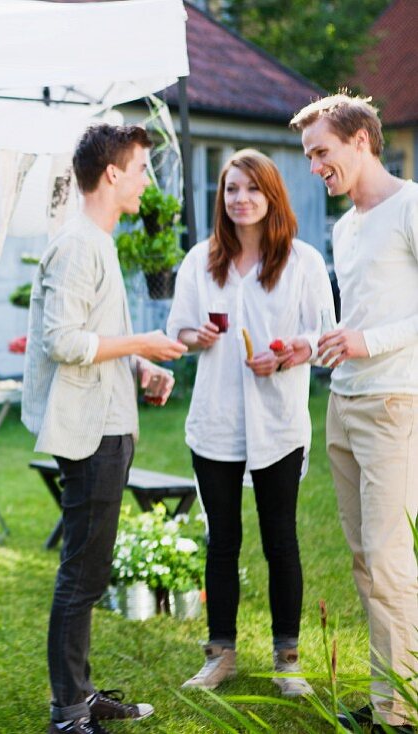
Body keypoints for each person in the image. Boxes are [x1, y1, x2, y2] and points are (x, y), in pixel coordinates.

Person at [21, 124, 188, 734]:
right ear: (112, 174)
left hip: (110, 423)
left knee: (88, 572)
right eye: (141, 168)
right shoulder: (77, 244)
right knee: (81, 575)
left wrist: (139, 363)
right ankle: (68, 713)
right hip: (90, 431)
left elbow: (91, 335)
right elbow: (61, 341)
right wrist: (142, 340)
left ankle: (81, 695)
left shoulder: (97, 241)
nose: (147, 181)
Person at [166, 149, 333, 697]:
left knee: (280, 540)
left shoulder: (302, 262)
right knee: (222, 541)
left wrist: (287, 355)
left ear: (271, 196)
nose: (240, 199)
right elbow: (180, 333)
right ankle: (221, 655)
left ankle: (288, 659)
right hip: (215, 422)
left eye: (251, 189)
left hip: (277, 423)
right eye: (231, 189)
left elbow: (324, 337)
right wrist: (199, 337)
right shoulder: (201, 260)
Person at [291, 93, 418, 732]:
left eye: (322, 152)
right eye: (310, 155)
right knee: (365, 560)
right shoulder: (345, 227)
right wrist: (313, 345)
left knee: (392, 558)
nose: (315, 166)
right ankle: (389, 691)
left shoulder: (412, 206)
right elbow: (358, 320)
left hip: (396, 402)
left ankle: (403, 713)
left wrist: (370, 343)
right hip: (343, 402)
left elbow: (393, 326)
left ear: (361, 140)